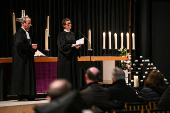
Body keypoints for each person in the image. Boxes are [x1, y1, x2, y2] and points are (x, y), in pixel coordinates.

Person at [11, 16, 37, 101]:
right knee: (23, 75)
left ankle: (29, 94)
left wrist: (33, 48)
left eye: (30, 23)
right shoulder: (19, 33)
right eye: (28, 23)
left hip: (27, 58)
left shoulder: (27, 33)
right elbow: (19, 45)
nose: (30, 25)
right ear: (23, 23)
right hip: (22, 59)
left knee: (28, 75)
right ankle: (22, 95)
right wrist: (30, 46)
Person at [57, 18, 81, 89]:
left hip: (72, 58)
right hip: (65, 58)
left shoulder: (73, 34)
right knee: (65, 75)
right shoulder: (61, 35)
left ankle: (73, 90)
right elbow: (61, 46)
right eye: (68, 24)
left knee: (73, 74)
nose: (70, 25)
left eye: (70, 23)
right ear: (64, 25)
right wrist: (71, 46)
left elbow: (75, 43)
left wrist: (77, 47)